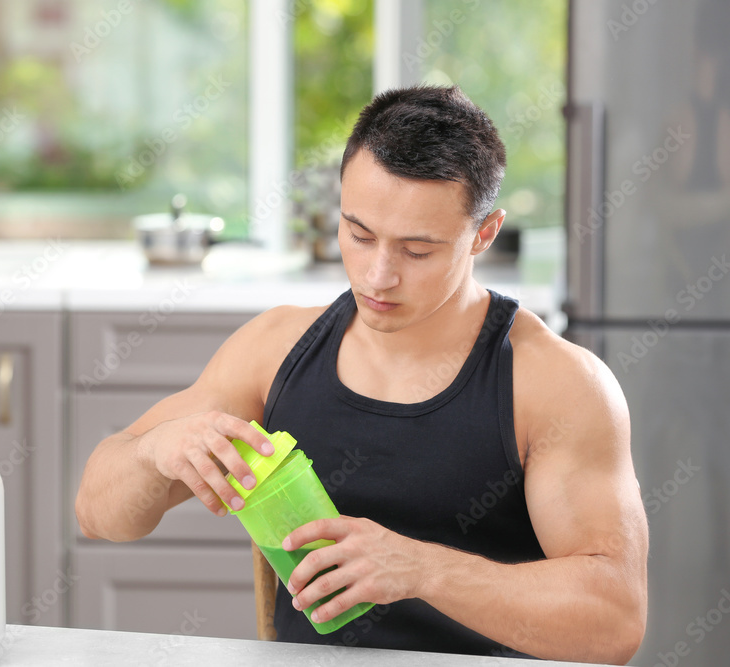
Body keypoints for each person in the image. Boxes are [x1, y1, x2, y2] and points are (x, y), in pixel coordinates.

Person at [75, 85, 648, 663]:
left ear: (483, 234)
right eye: (359, 233)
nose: (378, 276)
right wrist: (154, 450)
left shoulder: (556, 384)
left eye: (417, 251)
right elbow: (98, 515)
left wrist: (420, 568)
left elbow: (615, 621)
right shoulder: (274, 349)